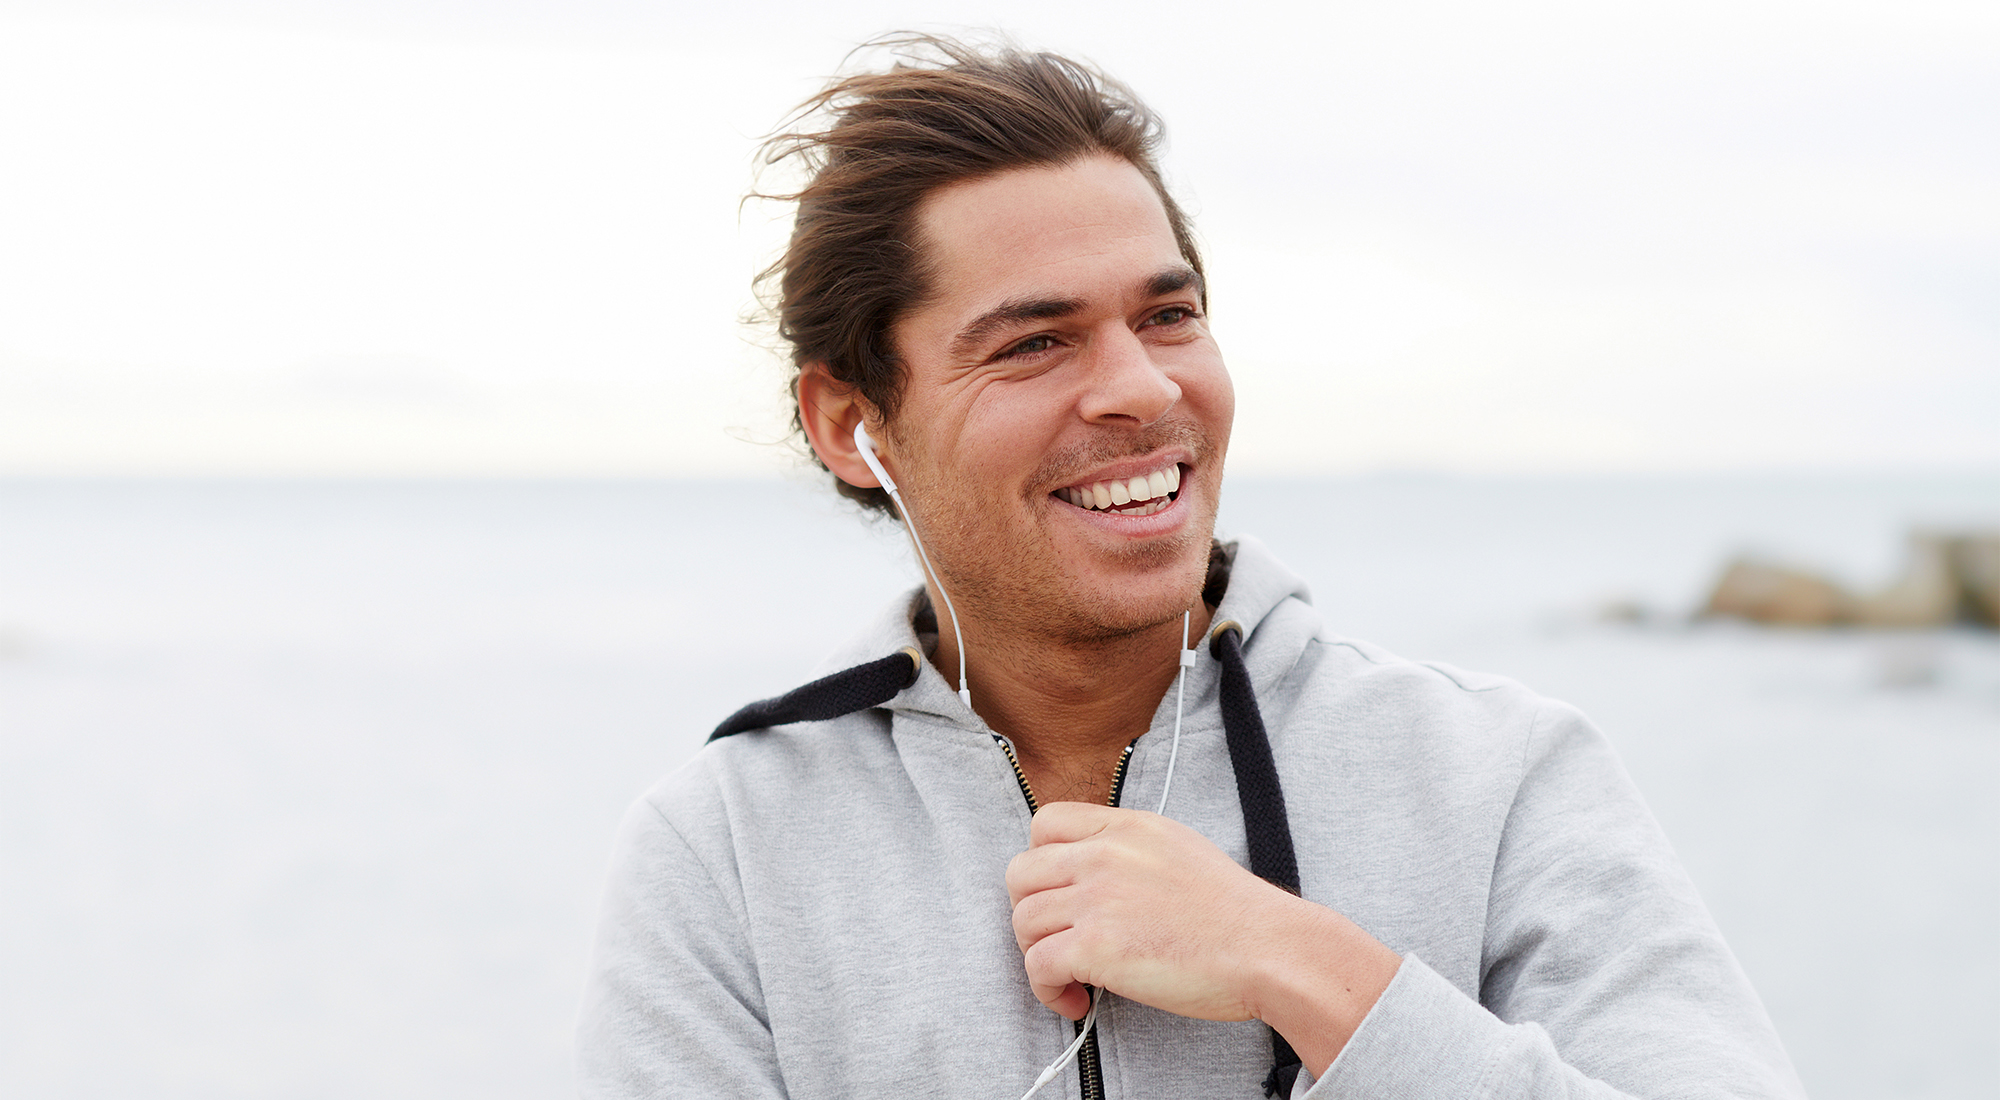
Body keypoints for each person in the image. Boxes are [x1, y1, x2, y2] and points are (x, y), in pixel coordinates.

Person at [577, 35, 1805, 1100]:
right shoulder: (727, 849)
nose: (1141, 387)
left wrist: (1309, 970)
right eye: (1035, 341)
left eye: (1166, 315)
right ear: (852, 424)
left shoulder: (1496, 772)